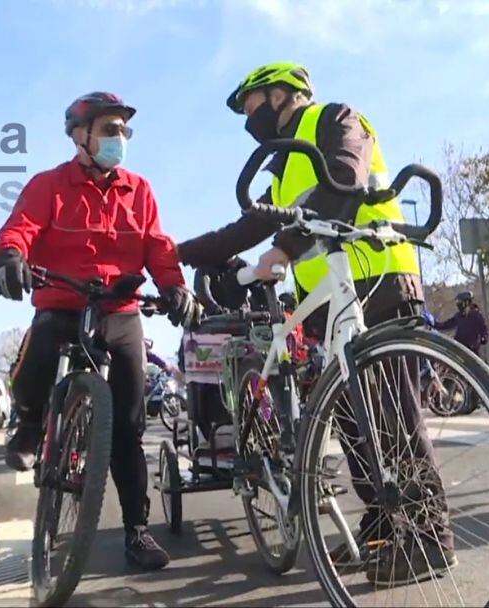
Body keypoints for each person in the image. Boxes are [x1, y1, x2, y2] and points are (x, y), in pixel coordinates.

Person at [176, 62, 454, 584]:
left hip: (375, 279)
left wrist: (281, 250)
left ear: (282, 94)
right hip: (326, 302)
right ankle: (383, 526)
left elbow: (346, 177)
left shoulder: (335, 118)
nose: (247, 121)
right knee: (350, 419)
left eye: (252, 106)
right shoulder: (281, 167)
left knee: (391, 413)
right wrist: (178, 252)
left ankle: (427, 534)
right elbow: (246, 228)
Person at [0, 91, 200, 569]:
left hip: (120, 308)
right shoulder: (49, 185)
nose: (118, 138)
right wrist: (10, 258)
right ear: (80, 136)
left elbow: (158, 247)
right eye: (109, 129)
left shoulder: (139, 190)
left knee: (128, 423)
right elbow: (19, 228)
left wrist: (175, 286)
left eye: (124, 130)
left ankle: (137, 532)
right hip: (62, 301)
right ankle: (27, 421)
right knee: (41, 345)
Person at [435, 290, 489, 356]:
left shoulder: (477, 315)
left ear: (466, 302)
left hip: (472, 351)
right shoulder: (458, 316)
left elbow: (484, 330)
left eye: (459, 302)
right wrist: (435, 324)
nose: (458, 304)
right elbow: (446, 324)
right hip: (459, 349)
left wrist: (483, 338)